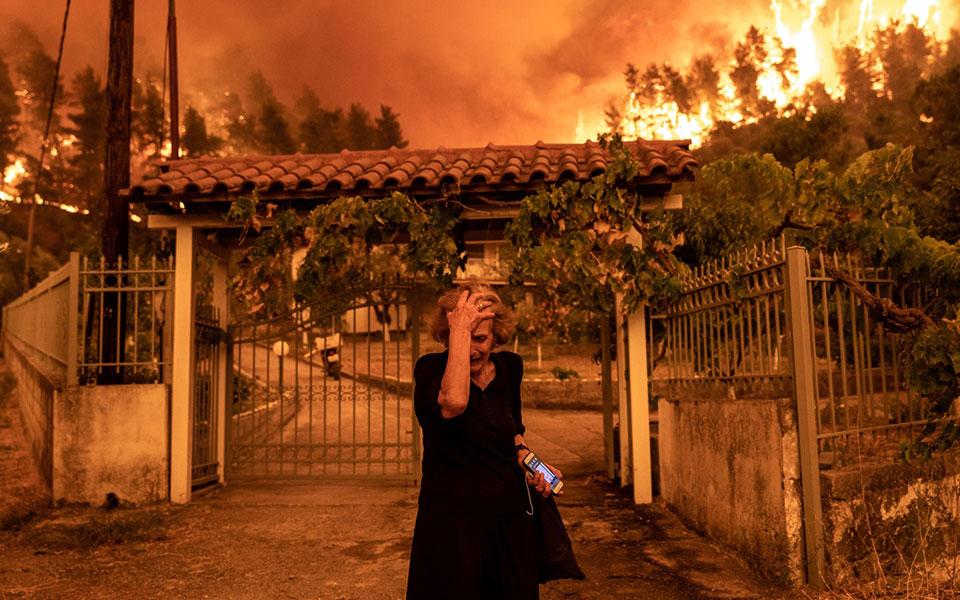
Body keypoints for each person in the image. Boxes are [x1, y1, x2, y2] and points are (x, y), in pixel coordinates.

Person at [406, 283, 563, 600]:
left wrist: (533, 467)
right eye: (460, 337)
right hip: (452, 525)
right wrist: (461, 331)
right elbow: (453, 403)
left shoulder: (509, 369)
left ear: (496, 337)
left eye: (480, 338)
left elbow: (513, 435)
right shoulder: (429, 371)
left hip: (508, 520)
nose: (472, 348)